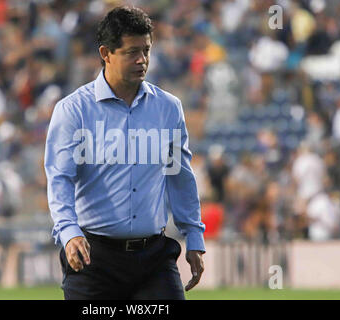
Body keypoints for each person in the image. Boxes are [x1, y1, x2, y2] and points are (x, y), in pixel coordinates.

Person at [44, 6, 206, 300]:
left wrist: (193, 235)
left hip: (154, 260)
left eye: (146, 50)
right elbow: (60, 179)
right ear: (106, 53)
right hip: (93, 259)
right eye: (132, 52)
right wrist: (68, 232)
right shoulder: (73, 111)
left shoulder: (168, 108)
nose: (142, 60)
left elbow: (179, 176)